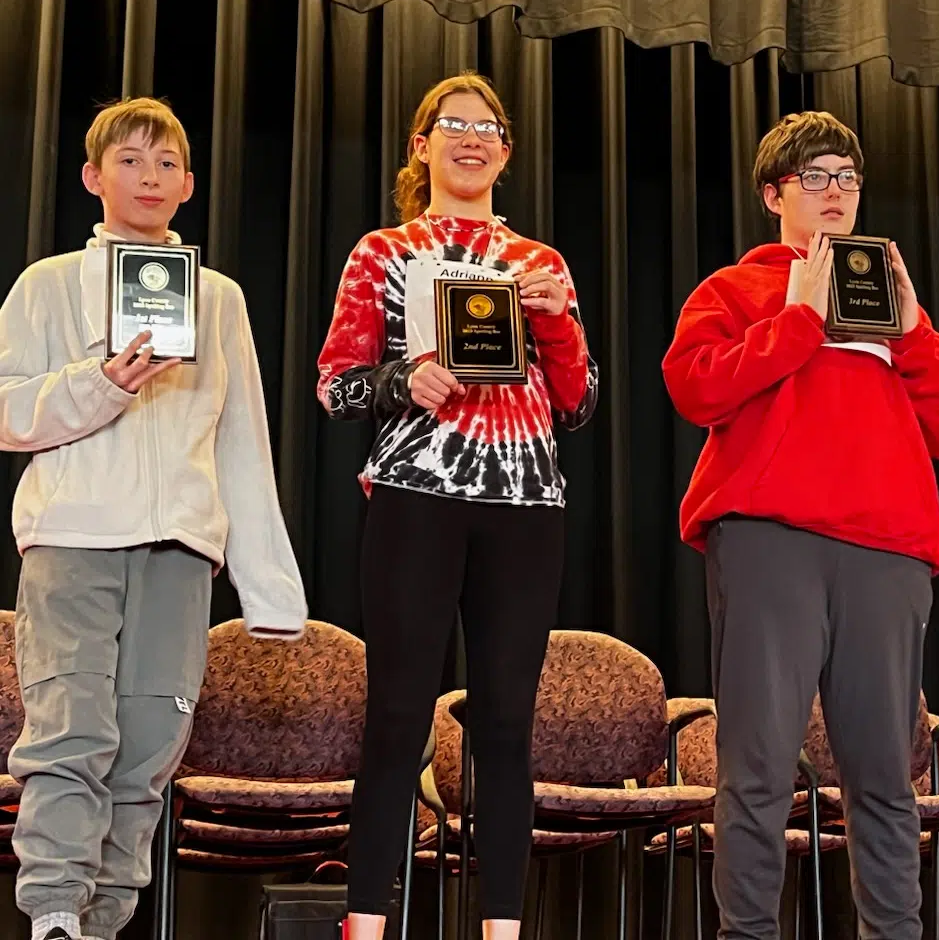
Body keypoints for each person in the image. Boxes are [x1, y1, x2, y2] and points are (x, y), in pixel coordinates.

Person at [662, 111, 939, 940]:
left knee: (884, 772)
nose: (834, 192)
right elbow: (695, 387)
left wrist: (911, 331)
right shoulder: (736, 289)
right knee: (760, 764)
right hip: (772, 542)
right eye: (815, 178)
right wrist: (799, 320)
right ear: (776, 194)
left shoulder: (890, 299)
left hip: (887, 551)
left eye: (846, 178)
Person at [0, 97, 307, 940]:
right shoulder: (48, 285)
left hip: (179, 548)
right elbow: (7, 411)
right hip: (72, 538)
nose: (150, 177)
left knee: (148, 742)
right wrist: (102, 382)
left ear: (189, 184)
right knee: (71, 725)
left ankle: (102, 921)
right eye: (130, 161)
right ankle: (55, 907)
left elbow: (243, 437)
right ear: (95, 178)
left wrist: (270, 591)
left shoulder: (219, 297)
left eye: (166, 163)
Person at [318, 73, 597, 940]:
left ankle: (503, 929)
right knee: (399, 714)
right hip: (416, 495)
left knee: (509, 723)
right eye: (453, 125)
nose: (470, 138)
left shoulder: (541, 264)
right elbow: (334, 387)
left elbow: (579, 402)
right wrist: (405, 378)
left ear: (507, 151)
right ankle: (367, 924)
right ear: (421, 145)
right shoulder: (383, 251)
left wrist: (557, 324)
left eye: (487, 127)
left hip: (525, 501)